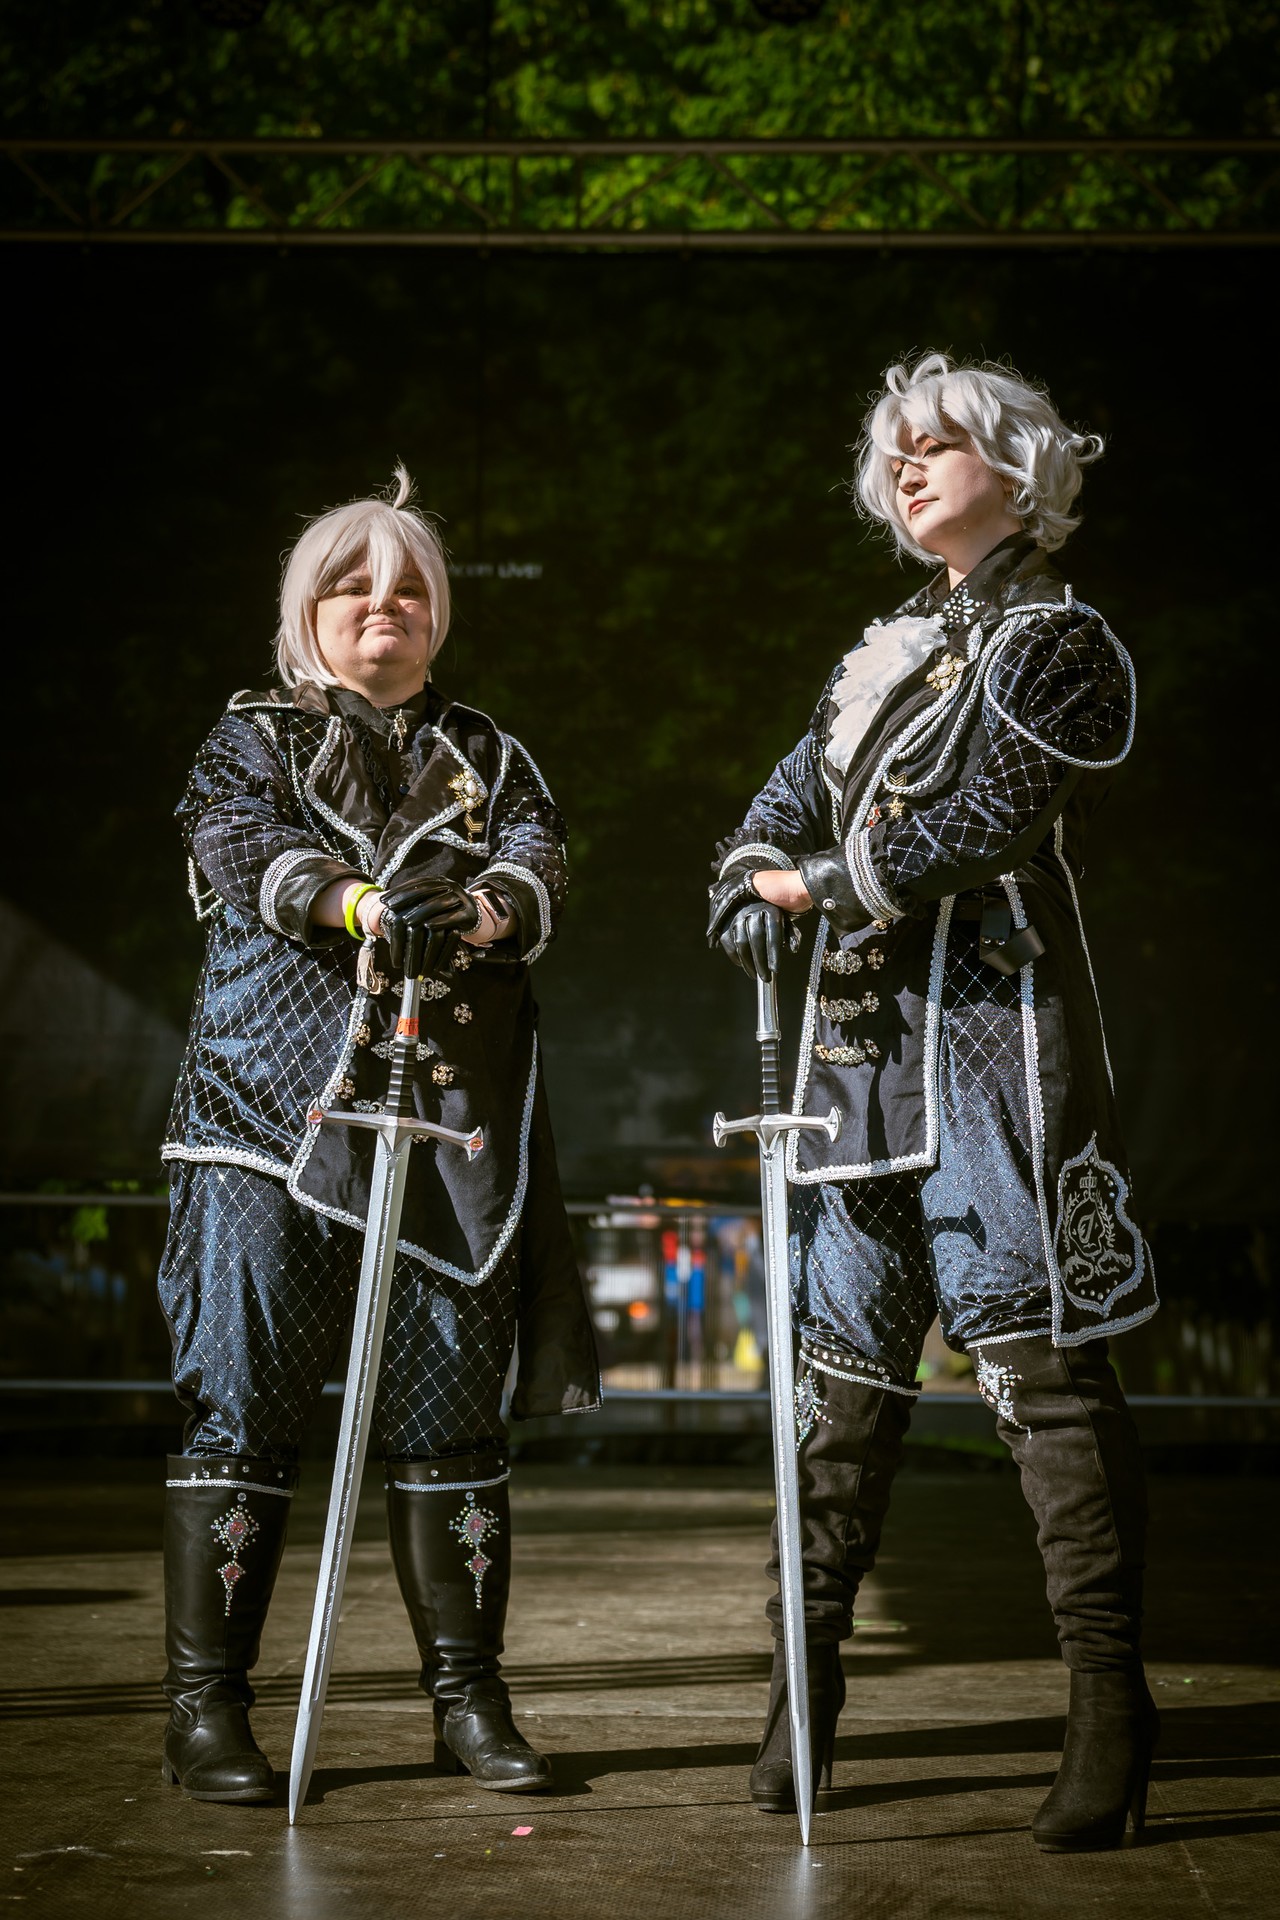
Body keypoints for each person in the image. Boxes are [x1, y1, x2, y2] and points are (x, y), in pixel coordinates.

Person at [707, 354, 1158, 1853]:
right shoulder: (885, 650)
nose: (905, 467)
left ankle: (1111, 1707)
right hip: (852, 1063)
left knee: (1042, 1378)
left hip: (992, 1047)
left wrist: (812, 882)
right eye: (892, 449)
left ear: (1018, 468)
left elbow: (989, 818)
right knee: (836, 1396)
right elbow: (778, 807)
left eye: (937, 443)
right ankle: (806, 1683)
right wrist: (753, 882)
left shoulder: (1060, 638)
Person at [159, 468, 599, 1804]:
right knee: (240, 1404)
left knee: (451, 1411)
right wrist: (356, 904)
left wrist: (484, 909)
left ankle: (468, 1704)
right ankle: (204, 1715)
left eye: (408, 589)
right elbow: (242, 850)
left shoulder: (492, 755)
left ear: (439, 614)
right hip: (264, 1116)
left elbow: (540, 860)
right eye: (352, 586)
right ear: (307, 609)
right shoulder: (249, 738)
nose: (382, 607)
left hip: (446, 1124)